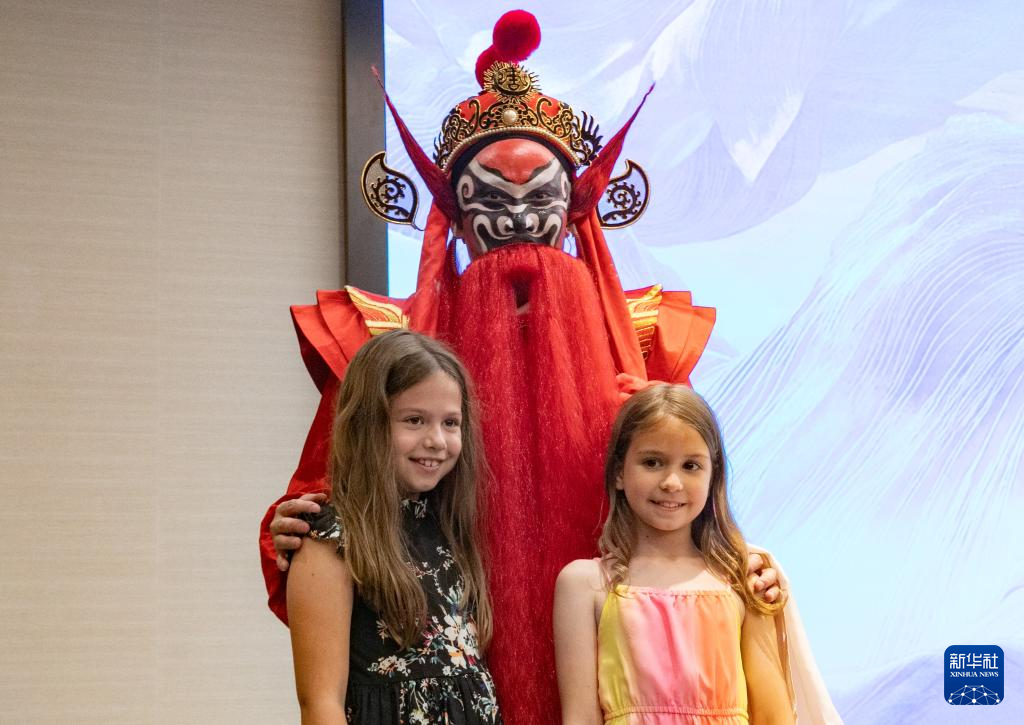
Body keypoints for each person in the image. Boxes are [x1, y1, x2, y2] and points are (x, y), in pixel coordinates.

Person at [265, 11, 780, 723]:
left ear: (574, 212)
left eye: (540, 200)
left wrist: (743, 561)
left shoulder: (647, 343)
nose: (516, 222)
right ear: (454, 217)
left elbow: (688, 492)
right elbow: (322, 504)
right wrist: (291, 527)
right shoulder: (382, 351)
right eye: (489, 202)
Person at [554, 385, 838, 724]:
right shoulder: (584, 584)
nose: (672, 482)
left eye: (691, 465)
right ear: (618, 472)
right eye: (652, 462)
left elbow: (772, 716)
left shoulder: (742, 579)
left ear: (713, 475)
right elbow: (580, 717)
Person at [287, 329, 501, 724]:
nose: (437, 440)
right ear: (367, 423)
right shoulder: (331, 539)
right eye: (415, 420)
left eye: (450, 423)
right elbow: (320, 703)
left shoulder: (451, 530)